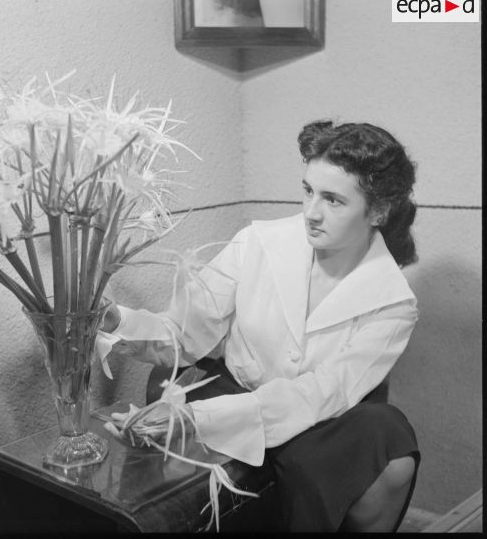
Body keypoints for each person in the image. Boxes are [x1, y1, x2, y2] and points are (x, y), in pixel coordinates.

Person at [96, 120, 421, 532]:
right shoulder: (257, 242)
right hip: (230, 391)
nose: (311, 213)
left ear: (378, 210)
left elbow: (324, 393)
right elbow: (181, 334)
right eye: (307, 190)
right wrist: (115, 319)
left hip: (318, 423)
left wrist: (198, 418)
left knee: (390, 434)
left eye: (334, 200)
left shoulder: (393, 301)